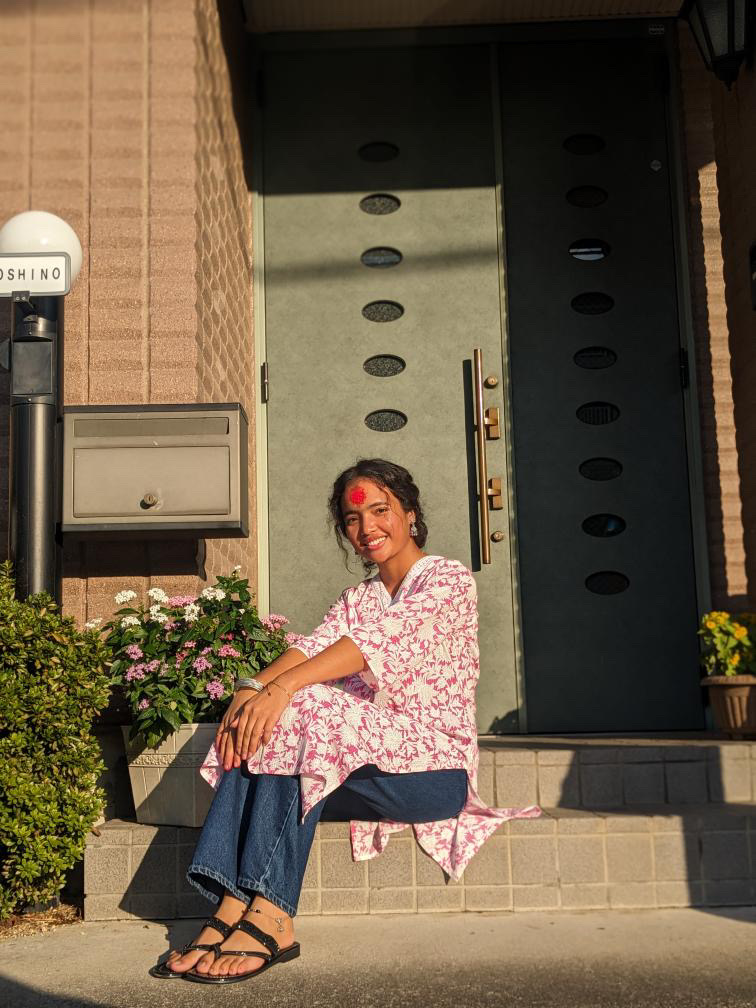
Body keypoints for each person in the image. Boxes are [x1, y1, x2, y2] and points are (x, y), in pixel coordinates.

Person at [150, 458, 540, 985]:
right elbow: (310, 647)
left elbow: (368, 647)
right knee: (269, 718)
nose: (367, 528)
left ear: (410, 513)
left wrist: (282, 690)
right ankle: (227, 903)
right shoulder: (357, 598)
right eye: (353, 520)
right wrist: (249, 691)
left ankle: (272, 915)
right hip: (359, 772)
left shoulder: (448, 582)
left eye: (381, 511)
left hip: (431, 776)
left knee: (301, 706)